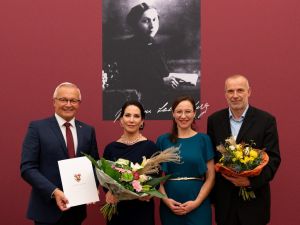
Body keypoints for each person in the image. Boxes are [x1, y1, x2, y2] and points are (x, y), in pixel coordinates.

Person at [20, 82, 99, 225]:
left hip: (77, 212)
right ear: (54, 102)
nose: (68, 104)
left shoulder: (88, 130)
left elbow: (95, 165)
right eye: (63, 99)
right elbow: (27, 168)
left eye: (73, 100)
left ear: (79, 103)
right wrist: (54, 191)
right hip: (47, 210)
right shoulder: (37, 128)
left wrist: (92, 187)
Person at [207, 74, 281, 225]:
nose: (235, 96)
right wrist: (213, 197)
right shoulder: (214, 120)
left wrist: (249, 181)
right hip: (225, 203)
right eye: (230, 91)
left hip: (254, 202)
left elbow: (273, 158)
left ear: (249, 92)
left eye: (240, 90)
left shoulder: (266, 120)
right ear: (225, 94)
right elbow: (213, 158)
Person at [103, 2, 180, 114]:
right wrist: (161, 82)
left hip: (159, 98)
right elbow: (130, 79)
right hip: (139, 104)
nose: (152, 25)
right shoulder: (127, 48)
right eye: (146, 21)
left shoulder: (156, 45)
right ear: (135, 24)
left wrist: (170, 78)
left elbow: (162, 73)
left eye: (154, 20)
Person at [156, 96, 215, 225]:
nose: (183, 116)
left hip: (198, 203)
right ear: (173, 114)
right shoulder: (162, 140)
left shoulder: (204, 140)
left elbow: (210, 177)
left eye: (188, 111)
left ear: (194, 113)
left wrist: (197, 202)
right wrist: (166, 201)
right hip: (170, 203)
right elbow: (156, 178)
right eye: (179, 112)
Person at [102, 100, 159, 225]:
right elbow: (105, 180)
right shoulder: (110, 148)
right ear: (121, 120)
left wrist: (148, 192)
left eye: (136, 116)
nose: (131, 120)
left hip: (141, 210)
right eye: (127, 115)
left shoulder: (150, 147)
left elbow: (156, 179)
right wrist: (108, 192)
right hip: (117, 210)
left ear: (142, 121)